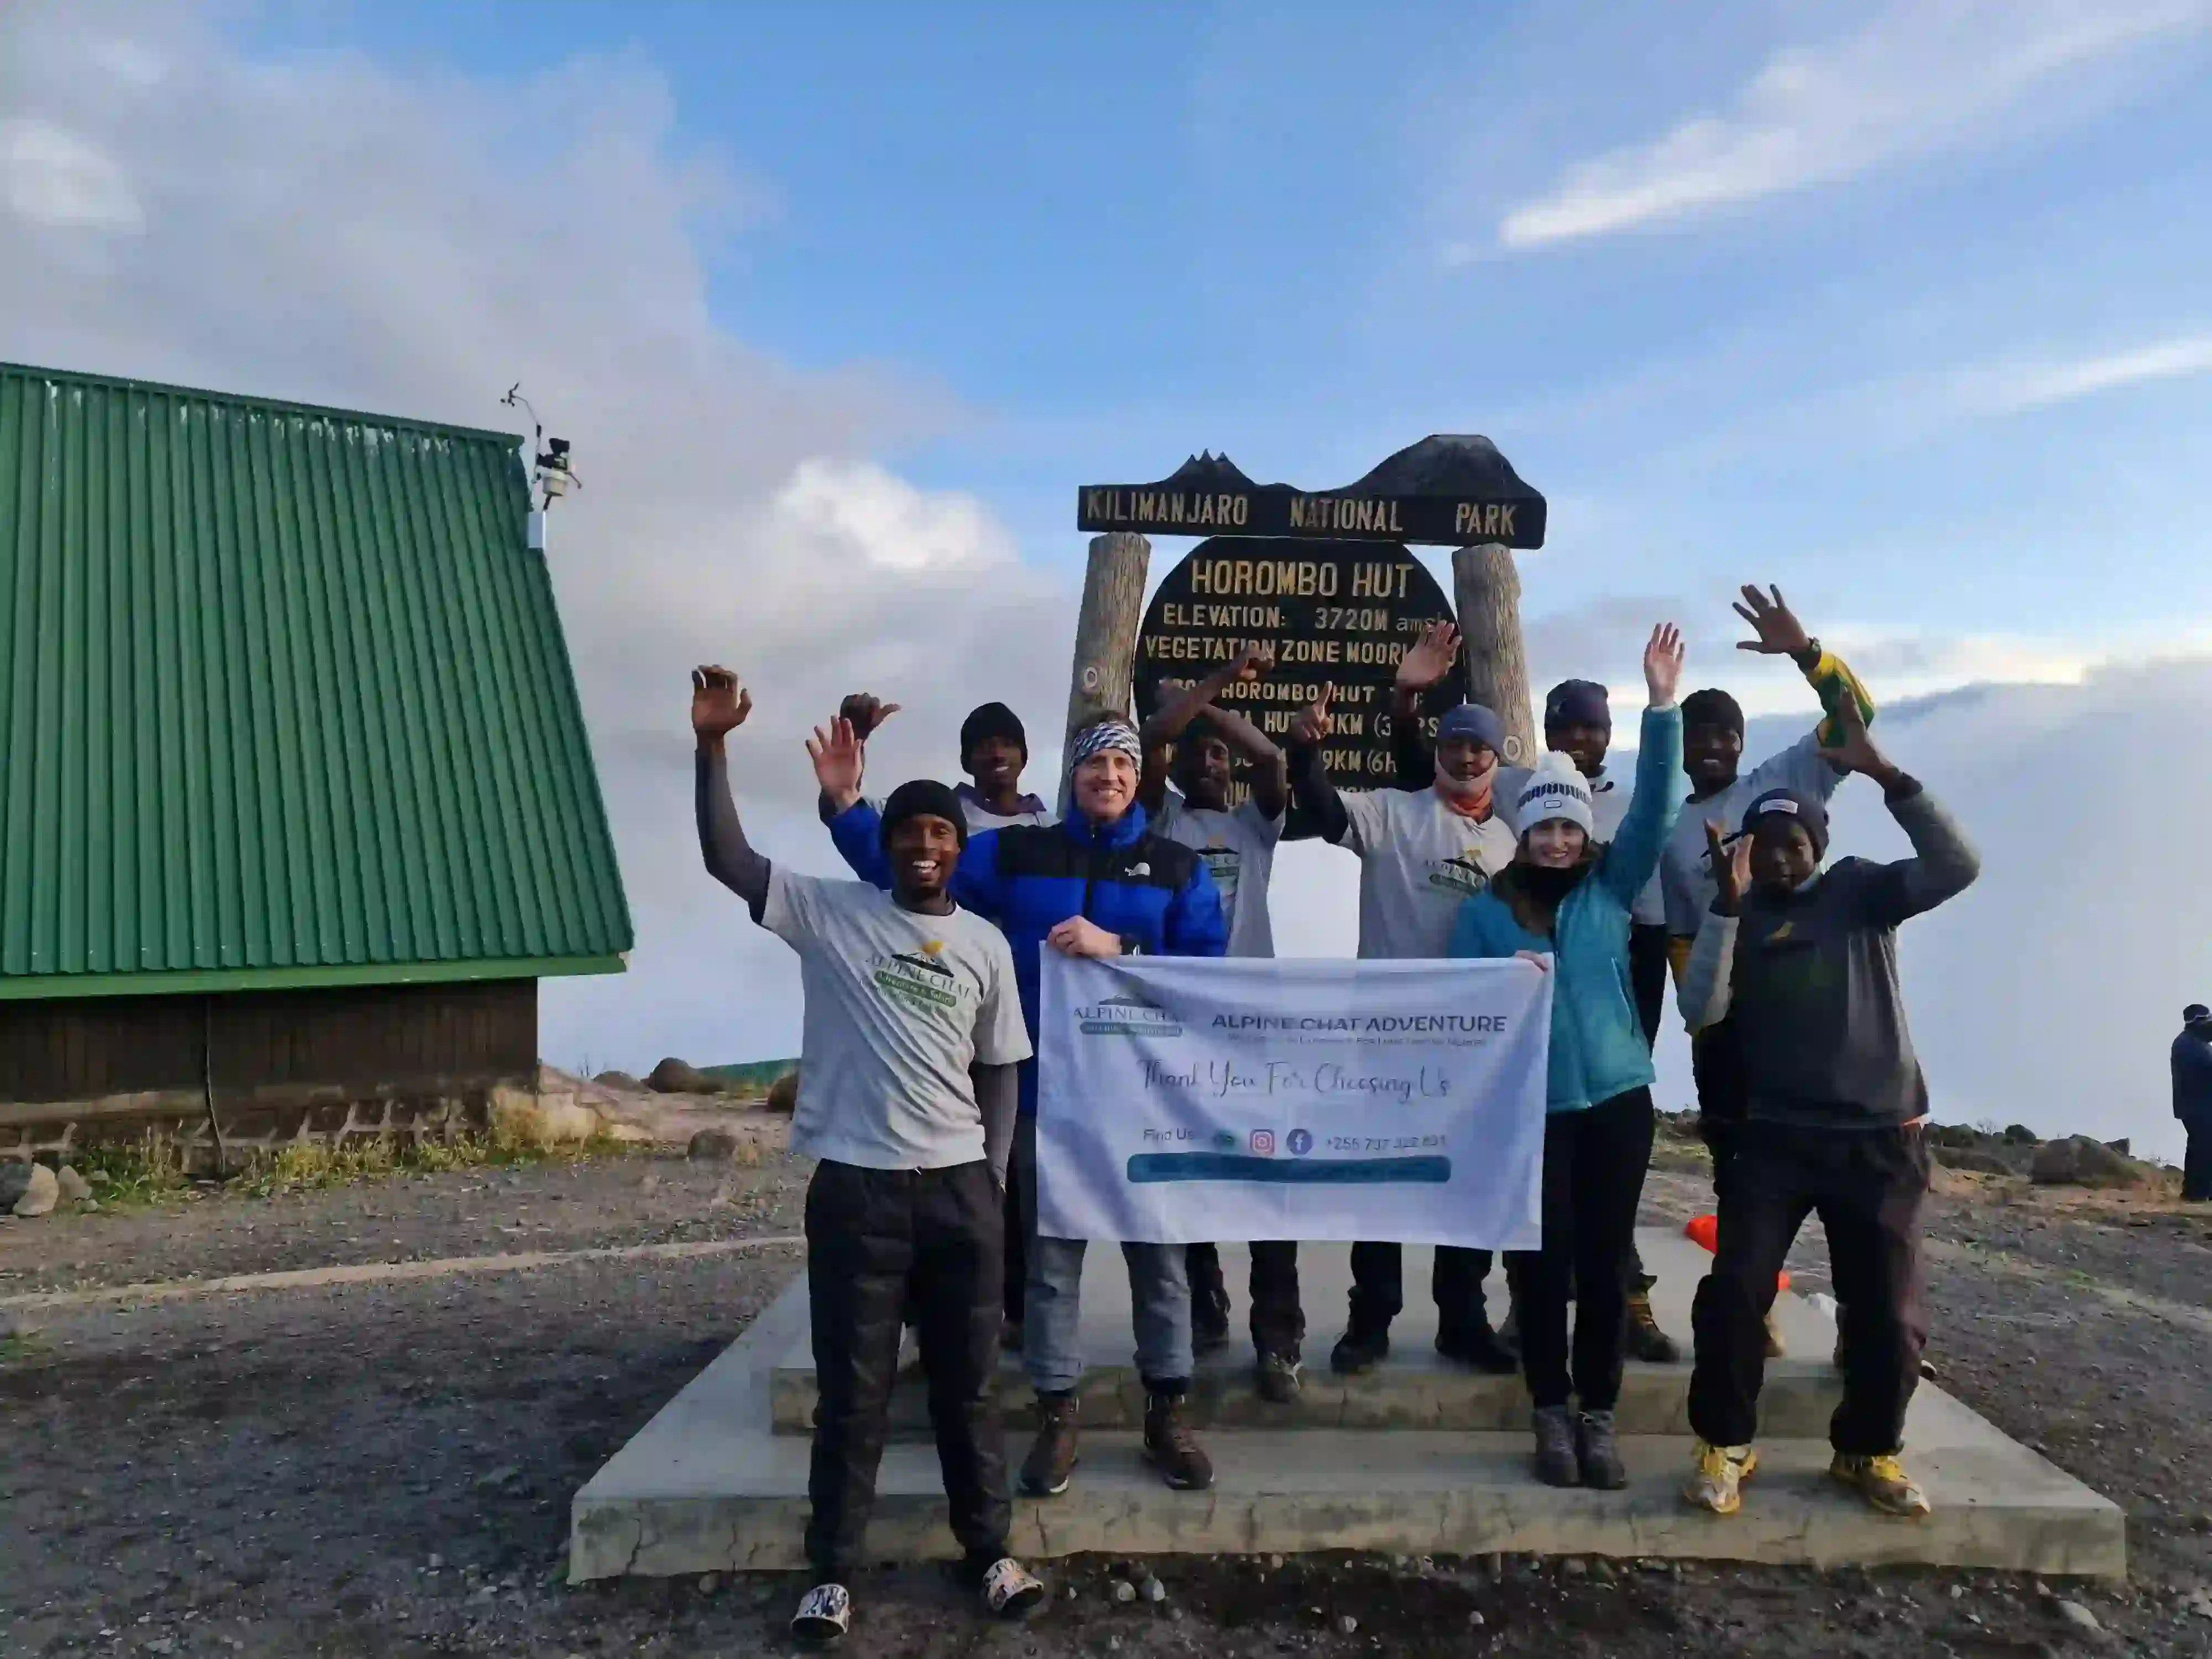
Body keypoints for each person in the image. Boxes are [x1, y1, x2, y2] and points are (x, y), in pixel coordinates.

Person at [688, 666, 1047, 1643]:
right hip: (856, 1192)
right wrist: (713, 747)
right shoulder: (831, 915)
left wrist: (994, 1177)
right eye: (909, 832)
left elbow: (1002, 1071)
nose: (925, 845)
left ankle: (991, 1553)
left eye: (940, 834)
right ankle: (834, 1570)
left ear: (959, 851)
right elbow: (729, 859)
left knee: (969, 1386)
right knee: (855, 1388)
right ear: (884, 846)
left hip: (960, 1197)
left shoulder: (982, 946)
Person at [820, 710, 1229, 1498]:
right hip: (1049, 1096)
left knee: (1162, 1265)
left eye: (1120, 766)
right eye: (1092, 766)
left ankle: (1167, 1414)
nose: (1106, 779)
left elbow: (1209, 974)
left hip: (1146, 1101)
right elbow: (914, 869)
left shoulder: (1180, 868)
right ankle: (1057, 1415)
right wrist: (848, 811)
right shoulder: (1015, 852)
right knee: (1049, 1270)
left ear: (1138, 777)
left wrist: (1124, 948)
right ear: (1071, 777)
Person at [1674, 697, 1980, 1520]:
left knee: (1889, 1316)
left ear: (1820, 846)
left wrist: (1885, 774)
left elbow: (1958, 866)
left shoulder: (1864, 895)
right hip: (1774, 1142)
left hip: (1881, 1142)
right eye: (1763, 844)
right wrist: (1727, 910)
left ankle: (1868, 1450)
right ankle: (1726, 1444)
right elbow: (1700, 1010)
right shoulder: (1736, 913)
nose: (1777, 858)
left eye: (1793, 844)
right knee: (1737, 1292)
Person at [1390, 622, 1685, 1364]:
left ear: (1585, 835)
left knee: (1604, 1257)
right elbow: (1466, 1012)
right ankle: (1551, 1406)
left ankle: (1597, 1411)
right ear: (1521, 833)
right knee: (1545, 1261)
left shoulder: (1610, 893)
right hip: (1537, 1105)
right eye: (1542, 828)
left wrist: (1662, 705)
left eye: (1568, 828)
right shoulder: (1486, 912)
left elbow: (1656, 809)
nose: (1555, 840)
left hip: (1618, 1099)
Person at [1662, 586, 1875, 1360]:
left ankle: (1865, 1325)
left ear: (1743, 743)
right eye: (1699, 737)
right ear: (1680, 746)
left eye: (1726, 737)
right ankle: (1752, 1308)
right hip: (1726, 1021)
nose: (1713, 748)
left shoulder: (1781, 780)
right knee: (1740, 1171)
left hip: (1813, 1004)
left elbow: (1860, 720)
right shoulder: (1665, 824)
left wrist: (1807, 654)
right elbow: (1661, 937)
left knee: (1848, 1173)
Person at [1287, 685, 1520, 1376]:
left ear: (1497, 756)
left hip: (1474, 1049)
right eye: (1454, 744)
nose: (1467, 756)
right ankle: (1370, 1321)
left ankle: (1462, 1318)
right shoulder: (1393, 811)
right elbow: (1326, 813)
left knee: (1467, 1183)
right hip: (1385, 1040)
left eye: (1479, 746)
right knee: (1381, 1185)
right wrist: (1306, 750)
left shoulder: (1512, 840)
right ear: (1438, 751)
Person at [835, 692, 1051, 1349]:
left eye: (1005, 743)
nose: (994, 754)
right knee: (947, 1191)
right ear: (965, 759)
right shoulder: (943, 828)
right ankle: (932, 1327)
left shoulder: (1052, 831)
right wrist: (853, 767)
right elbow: (873, 849)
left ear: (1023, 754)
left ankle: (1019, 1317)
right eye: (981, 745)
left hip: (1033, 1033)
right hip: (943, 1030)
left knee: (1021, 1190)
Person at [1137, 645, 1303, 1400]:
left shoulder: (1253, 826)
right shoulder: (1157, 820)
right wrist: (1203, 693)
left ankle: (1279, 1338)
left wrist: (1211, 700)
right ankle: (1206, 1308)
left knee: (1267, 1179)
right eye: (1197, 753)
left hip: (1255, 1027)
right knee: (1189, 1173)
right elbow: (1149, 742)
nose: (1212, 761)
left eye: (1218, 753)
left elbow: (1270, 758)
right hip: (1177, 1027)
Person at [2175, 1005, 2212, 1202]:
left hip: (2197, 1106)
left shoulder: (2194, 1042)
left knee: (2202, 1147)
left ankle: (2200, 1192)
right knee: (2203, 1148)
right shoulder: (2189, 1044)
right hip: (2198, 1107)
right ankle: (2196, 1193)